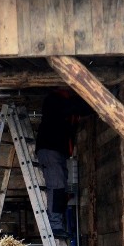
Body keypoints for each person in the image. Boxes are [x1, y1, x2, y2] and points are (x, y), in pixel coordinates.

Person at [36, 88, 94, 238]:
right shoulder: (53, 100)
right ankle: (55, 225)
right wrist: (98, 101)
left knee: (61, 187)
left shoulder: (66, 103)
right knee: (57, 184)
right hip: (50, 149)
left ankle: (58, 223)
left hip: (58, 151)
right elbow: (74, 107)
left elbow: (80, 108)